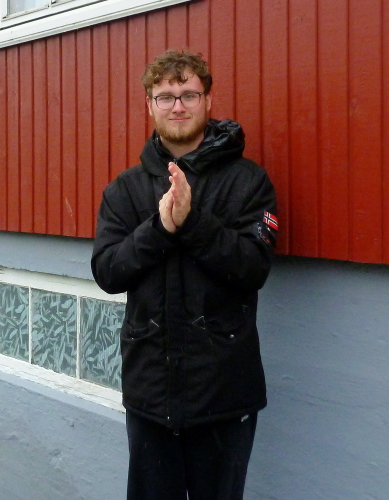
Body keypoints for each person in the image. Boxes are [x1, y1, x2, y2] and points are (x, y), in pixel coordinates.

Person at [91, 50, 278, 500]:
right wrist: (159, 228)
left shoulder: (248, 182)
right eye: (166, 97)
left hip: (224, 394)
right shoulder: (124, 190)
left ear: (208, 101)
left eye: (189, 95)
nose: (177, 106)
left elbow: (252, 267)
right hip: (150, 393)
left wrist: (192, 222)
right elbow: (108, 271)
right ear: (149, 105)